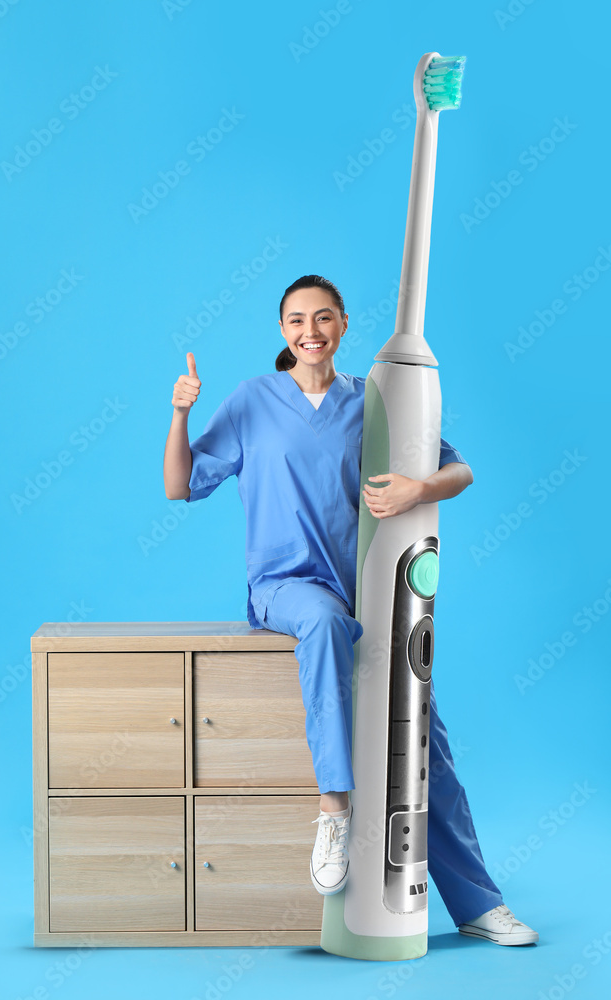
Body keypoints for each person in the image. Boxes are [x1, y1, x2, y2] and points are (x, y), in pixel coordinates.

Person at [163, 274, 538, 946]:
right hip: (285, 589)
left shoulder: (370, 403)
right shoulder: (251, 401)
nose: (310, 331)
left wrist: (417, 487)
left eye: (324, 318)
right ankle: (334, 809)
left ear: (342, 326)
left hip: (365, 595)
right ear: (283, 331)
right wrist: (182, 413)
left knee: (427, 744)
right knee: (326, 623)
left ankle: (480, 905)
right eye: (297, 320)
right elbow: (180, 485)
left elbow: (461, 470)